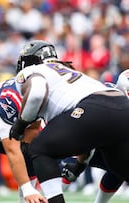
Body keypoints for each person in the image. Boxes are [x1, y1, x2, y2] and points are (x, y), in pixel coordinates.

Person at [9, 40, 129, 203]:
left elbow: (36, 93)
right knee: (117, 167)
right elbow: (87, 131)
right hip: (121, 107)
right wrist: (79, 165)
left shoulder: (33, 70)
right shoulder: (70, 72)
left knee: (40, 149)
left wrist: (21, 123)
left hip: (93, 107)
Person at [61, 68, 129, 203]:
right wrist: (80, 162)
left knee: (120, 167)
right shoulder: (103, 99)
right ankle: (50, 196)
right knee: (71, 166)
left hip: (108, 143)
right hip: (83, 139)